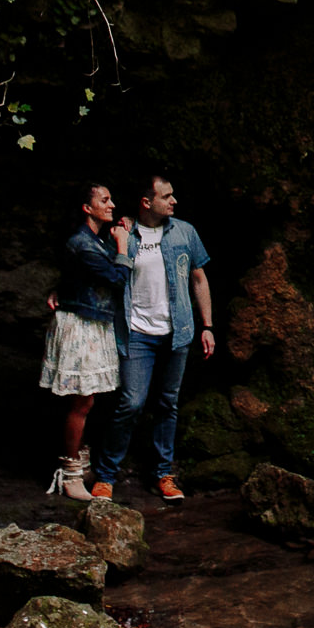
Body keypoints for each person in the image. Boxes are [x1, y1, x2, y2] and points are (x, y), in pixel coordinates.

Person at [92, 175, 214, 503]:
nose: (174, 201)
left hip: (178, 331)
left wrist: (208, 325)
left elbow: (199, 279)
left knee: (167, 402)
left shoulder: (185, 232)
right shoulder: (123, 233)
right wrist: (62, 292)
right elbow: (99, 274)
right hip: (136, 333)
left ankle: (163, 474)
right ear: (148, 202)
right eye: (167, 196)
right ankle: (105, 476)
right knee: (131, 402)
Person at [42, 183, 132, 501]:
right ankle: (69, 474)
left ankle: (78, 460)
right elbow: (117, 278)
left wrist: (120, 235)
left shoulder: (94, 239)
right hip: (80, 325)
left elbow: (73, 277)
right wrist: (122, 245)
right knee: (81, 401)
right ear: (87, 207)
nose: (112, 204)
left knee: (87, 400)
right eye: (104, 200)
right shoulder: (83, 242)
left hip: (92, 322)